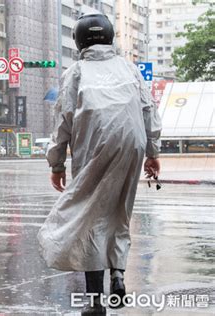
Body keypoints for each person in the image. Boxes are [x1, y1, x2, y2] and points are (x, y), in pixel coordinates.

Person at [37, 13, 162, 315]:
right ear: (110, 38)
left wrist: (56, 164)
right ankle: (117, 274)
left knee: (89, 219)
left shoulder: (76, 71)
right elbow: (148, 108)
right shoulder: (129, 68)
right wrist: (152, 152)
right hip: (132, 142)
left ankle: (95, 301)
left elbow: (64, 120)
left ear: (79, 41)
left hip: (94, 145)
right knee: (119, 211)